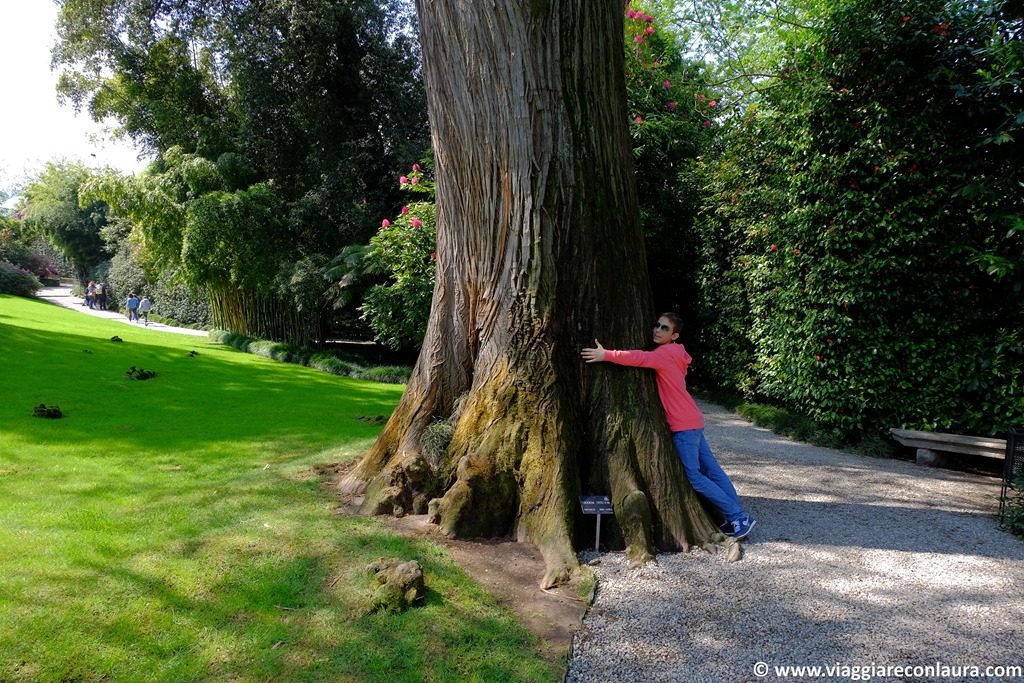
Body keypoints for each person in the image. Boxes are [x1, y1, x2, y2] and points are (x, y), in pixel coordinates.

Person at [581, 312, 757, 540]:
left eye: (664, 328)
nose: (657, 330)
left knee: (694, 476)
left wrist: (606, 354)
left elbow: (638, 357)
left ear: (674, 335)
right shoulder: (676, 353)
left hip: (684, 426)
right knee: (713, 471)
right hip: (693, 420)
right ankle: (735, 516)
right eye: (657, 325)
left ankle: (738, 516)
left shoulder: (664, 354)